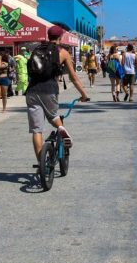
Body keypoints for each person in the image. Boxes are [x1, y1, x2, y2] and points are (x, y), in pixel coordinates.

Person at [27, 26, 90, 164]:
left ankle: (42, 165)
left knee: (37, 130)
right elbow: (73, 77)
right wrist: (84, 94)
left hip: (32, 90)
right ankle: (61, 128)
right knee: (53, 116)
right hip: (49, 90)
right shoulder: (63, 52)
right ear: (60, 37)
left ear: (48, 36)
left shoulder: (37, 50)